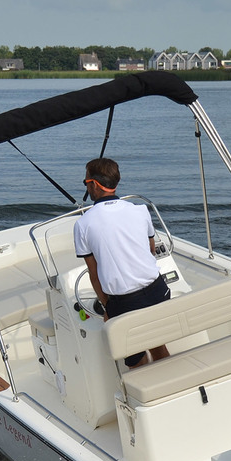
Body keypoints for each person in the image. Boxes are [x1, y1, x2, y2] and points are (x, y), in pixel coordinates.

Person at [73, 157, 170, 368]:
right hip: (159, 291)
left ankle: (147, 388)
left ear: (94, 185)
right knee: (157, 344)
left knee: (134, 357)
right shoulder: (140, 210)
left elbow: (94, 272)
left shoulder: (83, 225)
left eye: (86, 182)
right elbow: (151, 250)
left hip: (125, 302)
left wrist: (108, 306)